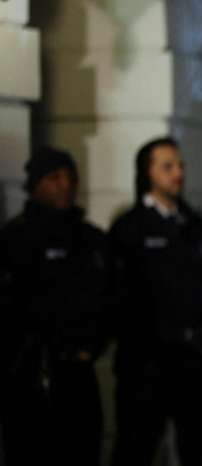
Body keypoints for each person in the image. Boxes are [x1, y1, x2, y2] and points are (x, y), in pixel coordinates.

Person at [109, 137, 202, 466]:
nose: (177, 173)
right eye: (167, 166)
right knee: (136, 449)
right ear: (147, 172)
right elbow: (119, 297)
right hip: (145, 367)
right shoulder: (128, 229)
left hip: (196, 363)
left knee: (201, 451)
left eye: (180, 166)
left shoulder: (201, 229)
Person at [0, 147, 114, 466]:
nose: (65, 185)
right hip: (28, 378)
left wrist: (92, 345)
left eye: (70, 178)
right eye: (54, 178)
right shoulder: (14, 239)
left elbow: (111, 300)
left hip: (79, 372)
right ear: (35, 184)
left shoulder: (91, 240)